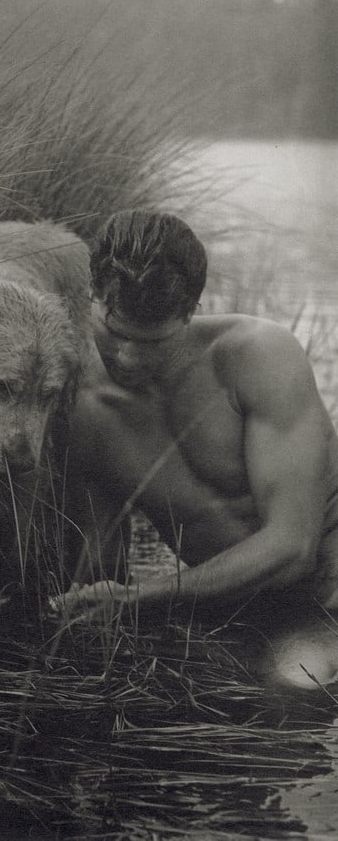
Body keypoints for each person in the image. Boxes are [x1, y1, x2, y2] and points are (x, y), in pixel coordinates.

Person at [57, 208, 338, 691]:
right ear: (92, 295)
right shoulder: (79, 412)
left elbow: (294, 546)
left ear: (190, 312)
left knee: (297, 689)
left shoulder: (257, 356)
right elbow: (97, 561)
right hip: (234, 607)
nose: (126, 357)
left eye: (152, 341)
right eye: (114, 331)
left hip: (328, 585)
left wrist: (147, 597)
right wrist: (84, 606)